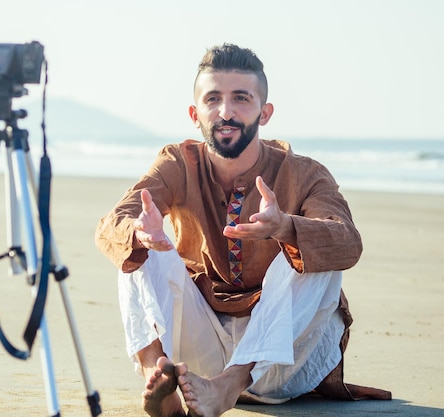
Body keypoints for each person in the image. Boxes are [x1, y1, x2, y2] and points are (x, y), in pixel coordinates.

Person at [95, 43, 391, 417]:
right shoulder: (177, 163)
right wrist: (141, 235)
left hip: (285, 357)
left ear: (264, 113)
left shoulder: (305, 173)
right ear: (195, 112)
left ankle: (230, 385)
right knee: (136, 244)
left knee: (311, 251)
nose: (226, 112)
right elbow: (111, 223)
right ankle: (161, 376)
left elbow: (348, 243)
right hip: (201, 354)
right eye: (213, 99)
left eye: (241, 99)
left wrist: (285, 227)